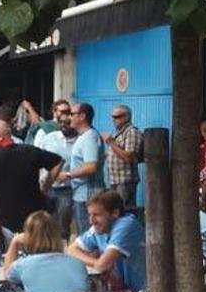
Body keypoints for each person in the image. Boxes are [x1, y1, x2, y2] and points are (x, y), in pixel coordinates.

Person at [0, 120, 63, 232]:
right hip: (34, 219)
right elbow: (58, 162)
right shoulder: (30, 150)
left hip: (6, 222)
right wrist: (46, 187)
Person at [68, 190, 146, 292]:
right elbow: (71, 249)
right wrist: (95, 262)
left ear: (115, 213)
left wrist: (98, 264)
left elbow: (103, 266)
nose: (91, 221)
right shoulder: (100, 228)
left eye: (96, 215)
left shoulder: (126, 225)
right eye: (89, 215)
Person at [58, 102, 105, 233]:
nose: (69, 118)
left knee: (88, 235)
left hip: (88, 196)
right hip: (81, 194)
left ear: (82, 116)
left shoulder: (90, 137)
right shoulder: (84, 137)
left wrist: (67, 175)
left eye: (72, 114)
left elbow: (91, 167)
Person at [37, 104, 78, 239]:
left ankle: (61, 252)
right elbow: (37, 159)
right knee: (44, 223)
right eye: (61, 123)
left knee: (62, 226)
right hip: (46, 188)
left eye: (68, 123)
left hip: (67, 190)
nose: (64, 126)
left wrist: (67, 175)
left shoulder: (80, 141)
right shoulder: (49, 138)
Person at [102, 104, 143, 209]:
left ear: (126, 117)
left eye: (117, 117)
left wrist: (111, 143)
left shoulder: (132, 132)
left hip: (125, 180)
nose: (113, 120)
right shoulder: (119, 133)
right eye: (112, 117)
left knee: (124, 210)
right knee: (116, 209)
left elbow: (129, 157)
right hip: (115, 179)